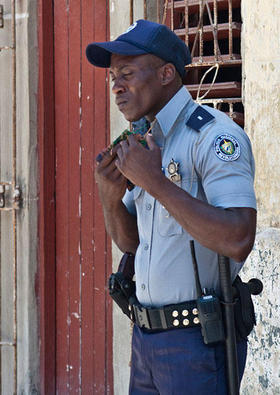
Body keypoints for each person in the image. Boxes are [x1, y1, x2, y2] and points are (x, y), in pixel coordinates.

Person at [86, 19, 257, 394]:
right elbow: (131, 244)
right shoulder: (143, 142)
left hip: (197, 342)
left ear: (166, 74)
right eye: (112, 76)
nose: (116, 86)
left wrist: (157, 183)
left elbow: (239, 237)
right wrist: (110, 198)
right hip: (146, 339)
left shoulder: (213, 137)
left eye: (127, 73)